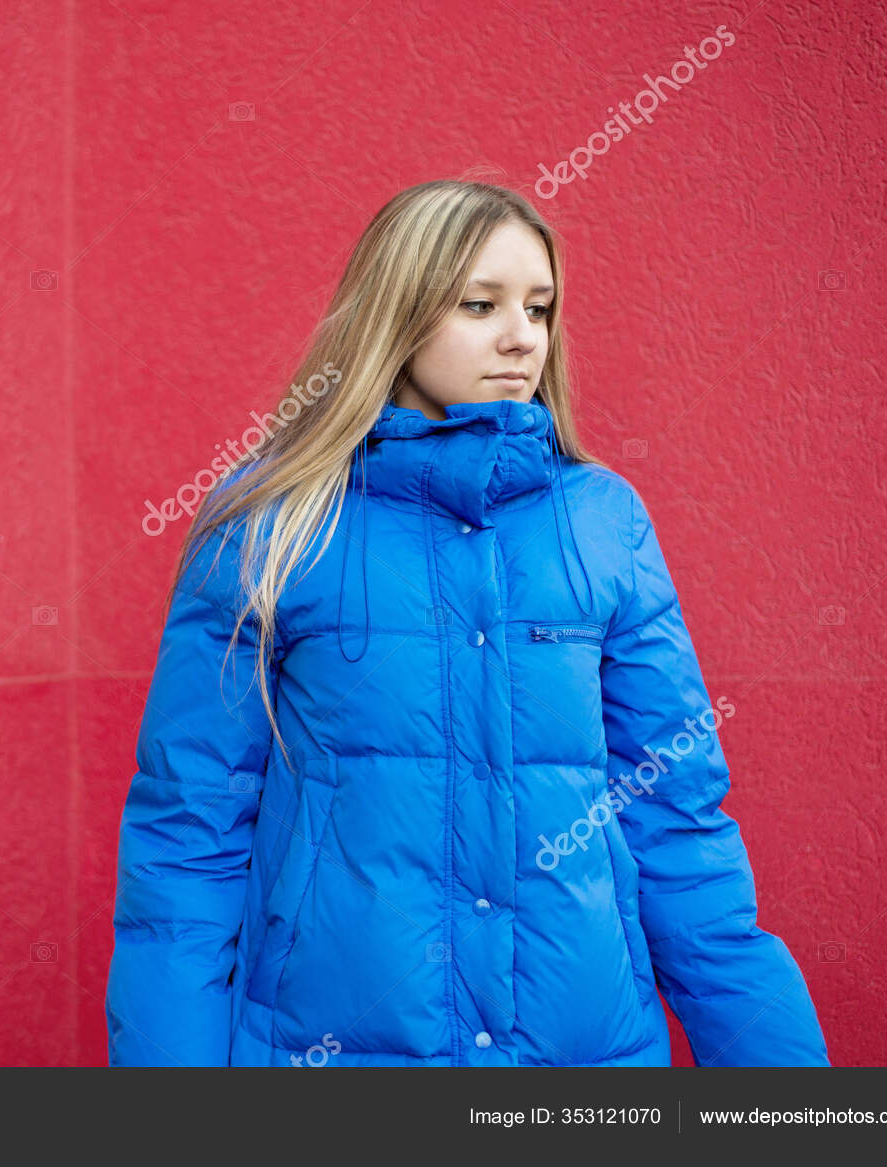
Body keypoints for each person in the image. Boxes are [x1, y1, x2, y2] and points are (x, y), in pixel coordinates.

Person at [103, 179, 830, 1068]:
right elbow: (187, 837)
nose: (522, 335)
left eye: (540, 306)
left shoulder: (602, 520)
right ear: (397, 314)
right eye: (479, 304)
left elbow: (678, 819)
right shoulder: (270, 523)